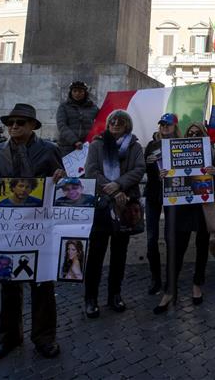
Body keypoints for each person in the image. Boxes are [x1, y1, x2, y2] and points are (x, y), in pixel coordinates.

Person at [0, 103, 66, 363]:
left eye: (20, 123)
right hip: (7, 230)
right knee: (8, 285)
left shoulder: (49, 150)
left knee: (42, 284)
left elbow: (64, 185)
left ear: (33, 126)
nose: (14, 127)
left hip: (40, 228)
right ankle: (9, 338)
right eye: (10, 123)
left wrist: (60, 177)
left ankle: (44, 338)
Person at [154, 122, 215, 314]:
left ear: (204, 135)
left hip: (203, 208)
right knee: (177, 249)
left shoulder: (212, 155)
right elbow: (169, 182)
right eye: (190, 133)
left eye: (198, 133)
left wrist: (214, 173)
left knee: (202, 247)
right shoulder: (175, 153)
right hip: (182, 208)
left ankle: (197, 284)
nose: (193, 135)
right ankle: (169, 290)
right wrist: (163, 175)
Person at [83, 109, 145, 318]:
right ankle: (90, 298)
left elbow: (139, 169)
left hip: (124, 204)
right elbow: (91, 171)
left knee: (120, 253)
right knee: (96, 254)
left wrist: (119, 185)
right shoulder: (97, 144)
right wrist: (112, 188)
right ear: (108, 124)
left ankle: (115, 294)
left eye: (120, 122)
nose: (116, 124)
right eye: (113, 121)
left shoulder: (135, 146)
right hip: (102, 204)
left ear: (127, 125)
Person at [143, 113, 181, 295]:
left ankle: (170, 278)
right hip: (153, 195)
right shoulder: (151, 145)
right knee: (151, 238)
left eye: (168, 124)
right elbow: (145, 169)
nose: (164, 127)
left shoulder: (181, 145)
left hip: (173, 195)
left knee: (170, 239)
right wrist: (150, 164)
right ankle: (155, 277)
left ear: (175, 126)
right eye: (162, 125)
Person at [56, 81, 100, 155]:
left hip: (86, 146)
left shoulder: (93, 108)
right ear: (71, 92)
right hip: (66, 146)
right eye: (74, 91)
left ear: (85, 93)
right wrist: (75, 141)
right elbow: (62, 125)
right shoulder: (63, 107)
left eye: (80, 91)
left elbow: (101, 121)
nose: (77, 94)